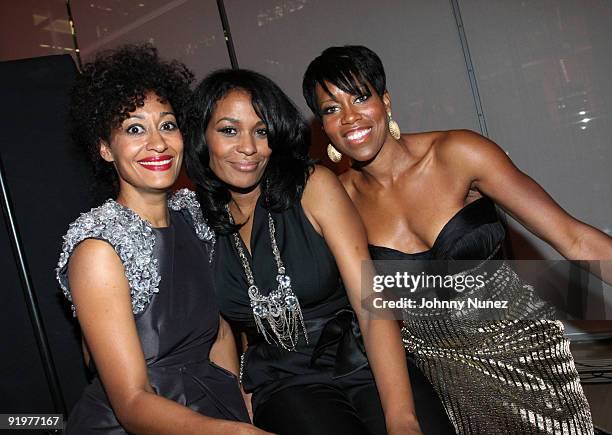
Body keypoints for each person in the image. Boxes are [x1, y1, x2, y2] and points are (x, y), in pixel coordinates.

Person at [303, 45, 612, 434]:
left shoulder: (458, 153)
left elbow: (575, 238)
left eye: (360, 97)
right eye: (331, 109)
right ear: (323, 126)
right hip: (434, 369)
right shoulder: (338, 200)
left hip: (520, 350)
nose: (349, 118)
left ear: (385, 101)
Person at [184, 69, 433, 435]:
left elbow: (372, 305)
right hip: (285, 382)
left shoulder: (313, 186)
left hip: (364, 358)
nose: (248, 147)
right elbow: (219, 335)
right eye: (229, 130)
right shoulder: (196, 220)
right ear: (202, 136)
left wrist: (402, 421)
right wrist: (236, 410)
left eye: (261, 130)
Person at [55, 44, 267, 434]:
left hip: (213, 407)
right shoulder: (98, 248)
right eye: (135, 129)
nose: (158, 143)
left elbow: (219, 334)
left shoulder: (194, 214)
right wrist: (233, 431)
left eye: (167, 125)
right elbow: (132, 402)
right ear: (105, 148)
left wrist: (241, 405)